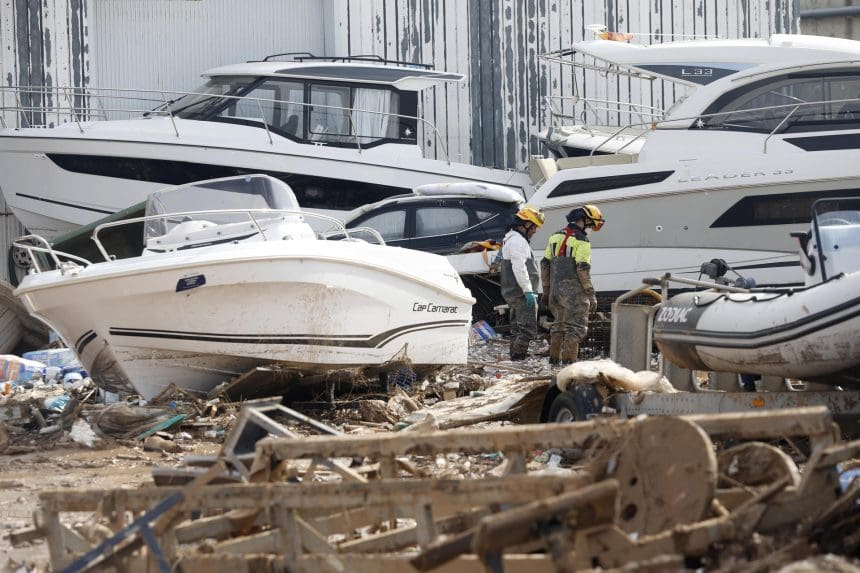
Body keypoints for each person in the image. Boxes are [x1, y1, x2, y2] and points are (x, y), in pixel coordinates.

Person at [541, 204, 605, 365]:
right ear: (582, 221)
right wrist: (591, 294)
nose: (591, 228)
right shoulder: (582, 241)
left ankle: (554, 362)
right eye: (591, 224)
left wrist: (546, 291)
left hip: (555, 291)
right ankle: (569, 364)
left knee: (558, 327)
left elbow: (544, 264)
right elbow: (583, 269)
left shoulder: (554, 236)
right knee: (575, 329)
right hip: (574, 293)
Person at [500, 205, 545, 360]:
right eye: (534, 227)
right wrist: (528, 291)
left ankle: (514, 357)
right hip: (521, 293)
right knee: (527, 329)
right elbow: (519, 268)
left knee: (517, 328)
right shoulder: (518, 242)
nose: (534, 231)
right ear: (526, 224)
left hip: (514, 292)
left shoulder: (511, 238)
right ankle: (518, 359)